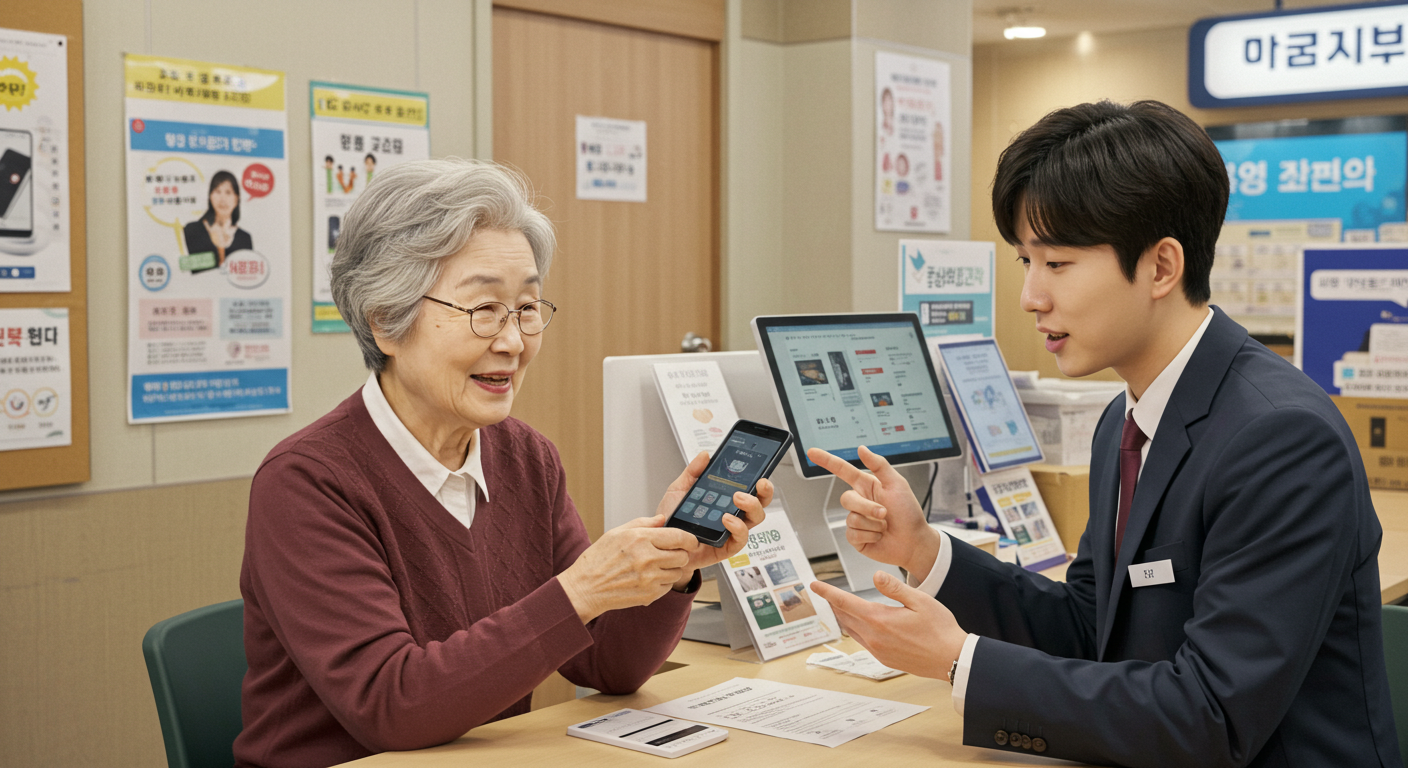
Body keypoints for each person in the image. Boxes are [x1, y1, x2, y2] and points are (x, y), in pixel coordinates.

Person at [809, 100, 1401, 767]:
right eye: (1024, 262)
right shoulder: (1126, 419)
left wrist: (958, 660)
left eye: (1057, 264)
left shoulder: (1282, 438)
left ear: (1161, 267)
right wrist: (922, 549)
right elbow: (1092, 625)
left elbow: (1211, 714)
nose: (1032, 296)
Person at [235, 158, 772, 768]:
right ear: (385, 320)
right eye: (483, 310)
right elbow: (392, 705)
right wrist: (579, 592)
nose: (514, 341)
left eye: (526, 309)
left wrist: (674, 562)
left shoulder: (526, 457)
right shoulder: (307, 481)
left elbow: (607, 666)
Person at [183, 170, 252, 271]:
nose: (222, 199)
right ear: (210, 196)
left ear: (236, 199)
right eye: (217, 191)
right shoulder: (192, 230)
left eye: (228, 192)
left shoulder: (244, 239)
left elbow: (248, 278)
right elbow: (184, 268)